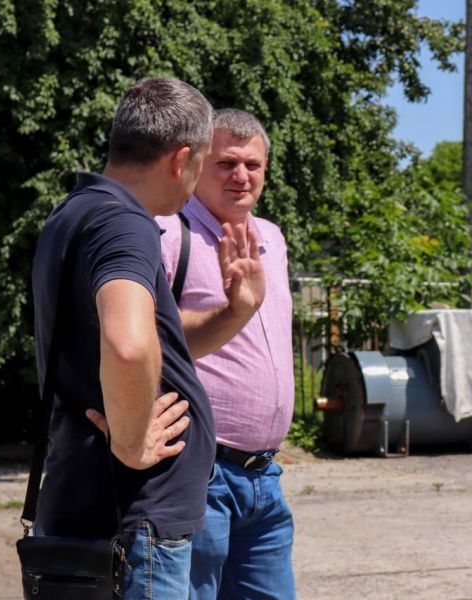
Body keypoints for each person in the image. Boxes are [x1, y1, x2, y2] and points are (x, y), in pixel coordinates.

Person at [31, 77, 252, 598]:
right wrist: (133, 444)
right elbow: (128, 345)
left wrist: (233, 312)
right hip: (135, 523)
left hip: (90, 508)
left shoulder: (75, 212)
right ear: (181, 159)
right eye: (203, 163)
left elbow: (150, 342)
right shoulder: (125, 224)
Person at [156, 108, 296, 599]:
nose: (241, 176)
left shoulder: (271, 238)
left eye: (253, 165)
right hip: (199, 470)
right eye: (226, 163)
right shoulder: (169, 233)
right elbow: (149, 339)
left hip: (265, 476)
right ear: (196, 163)